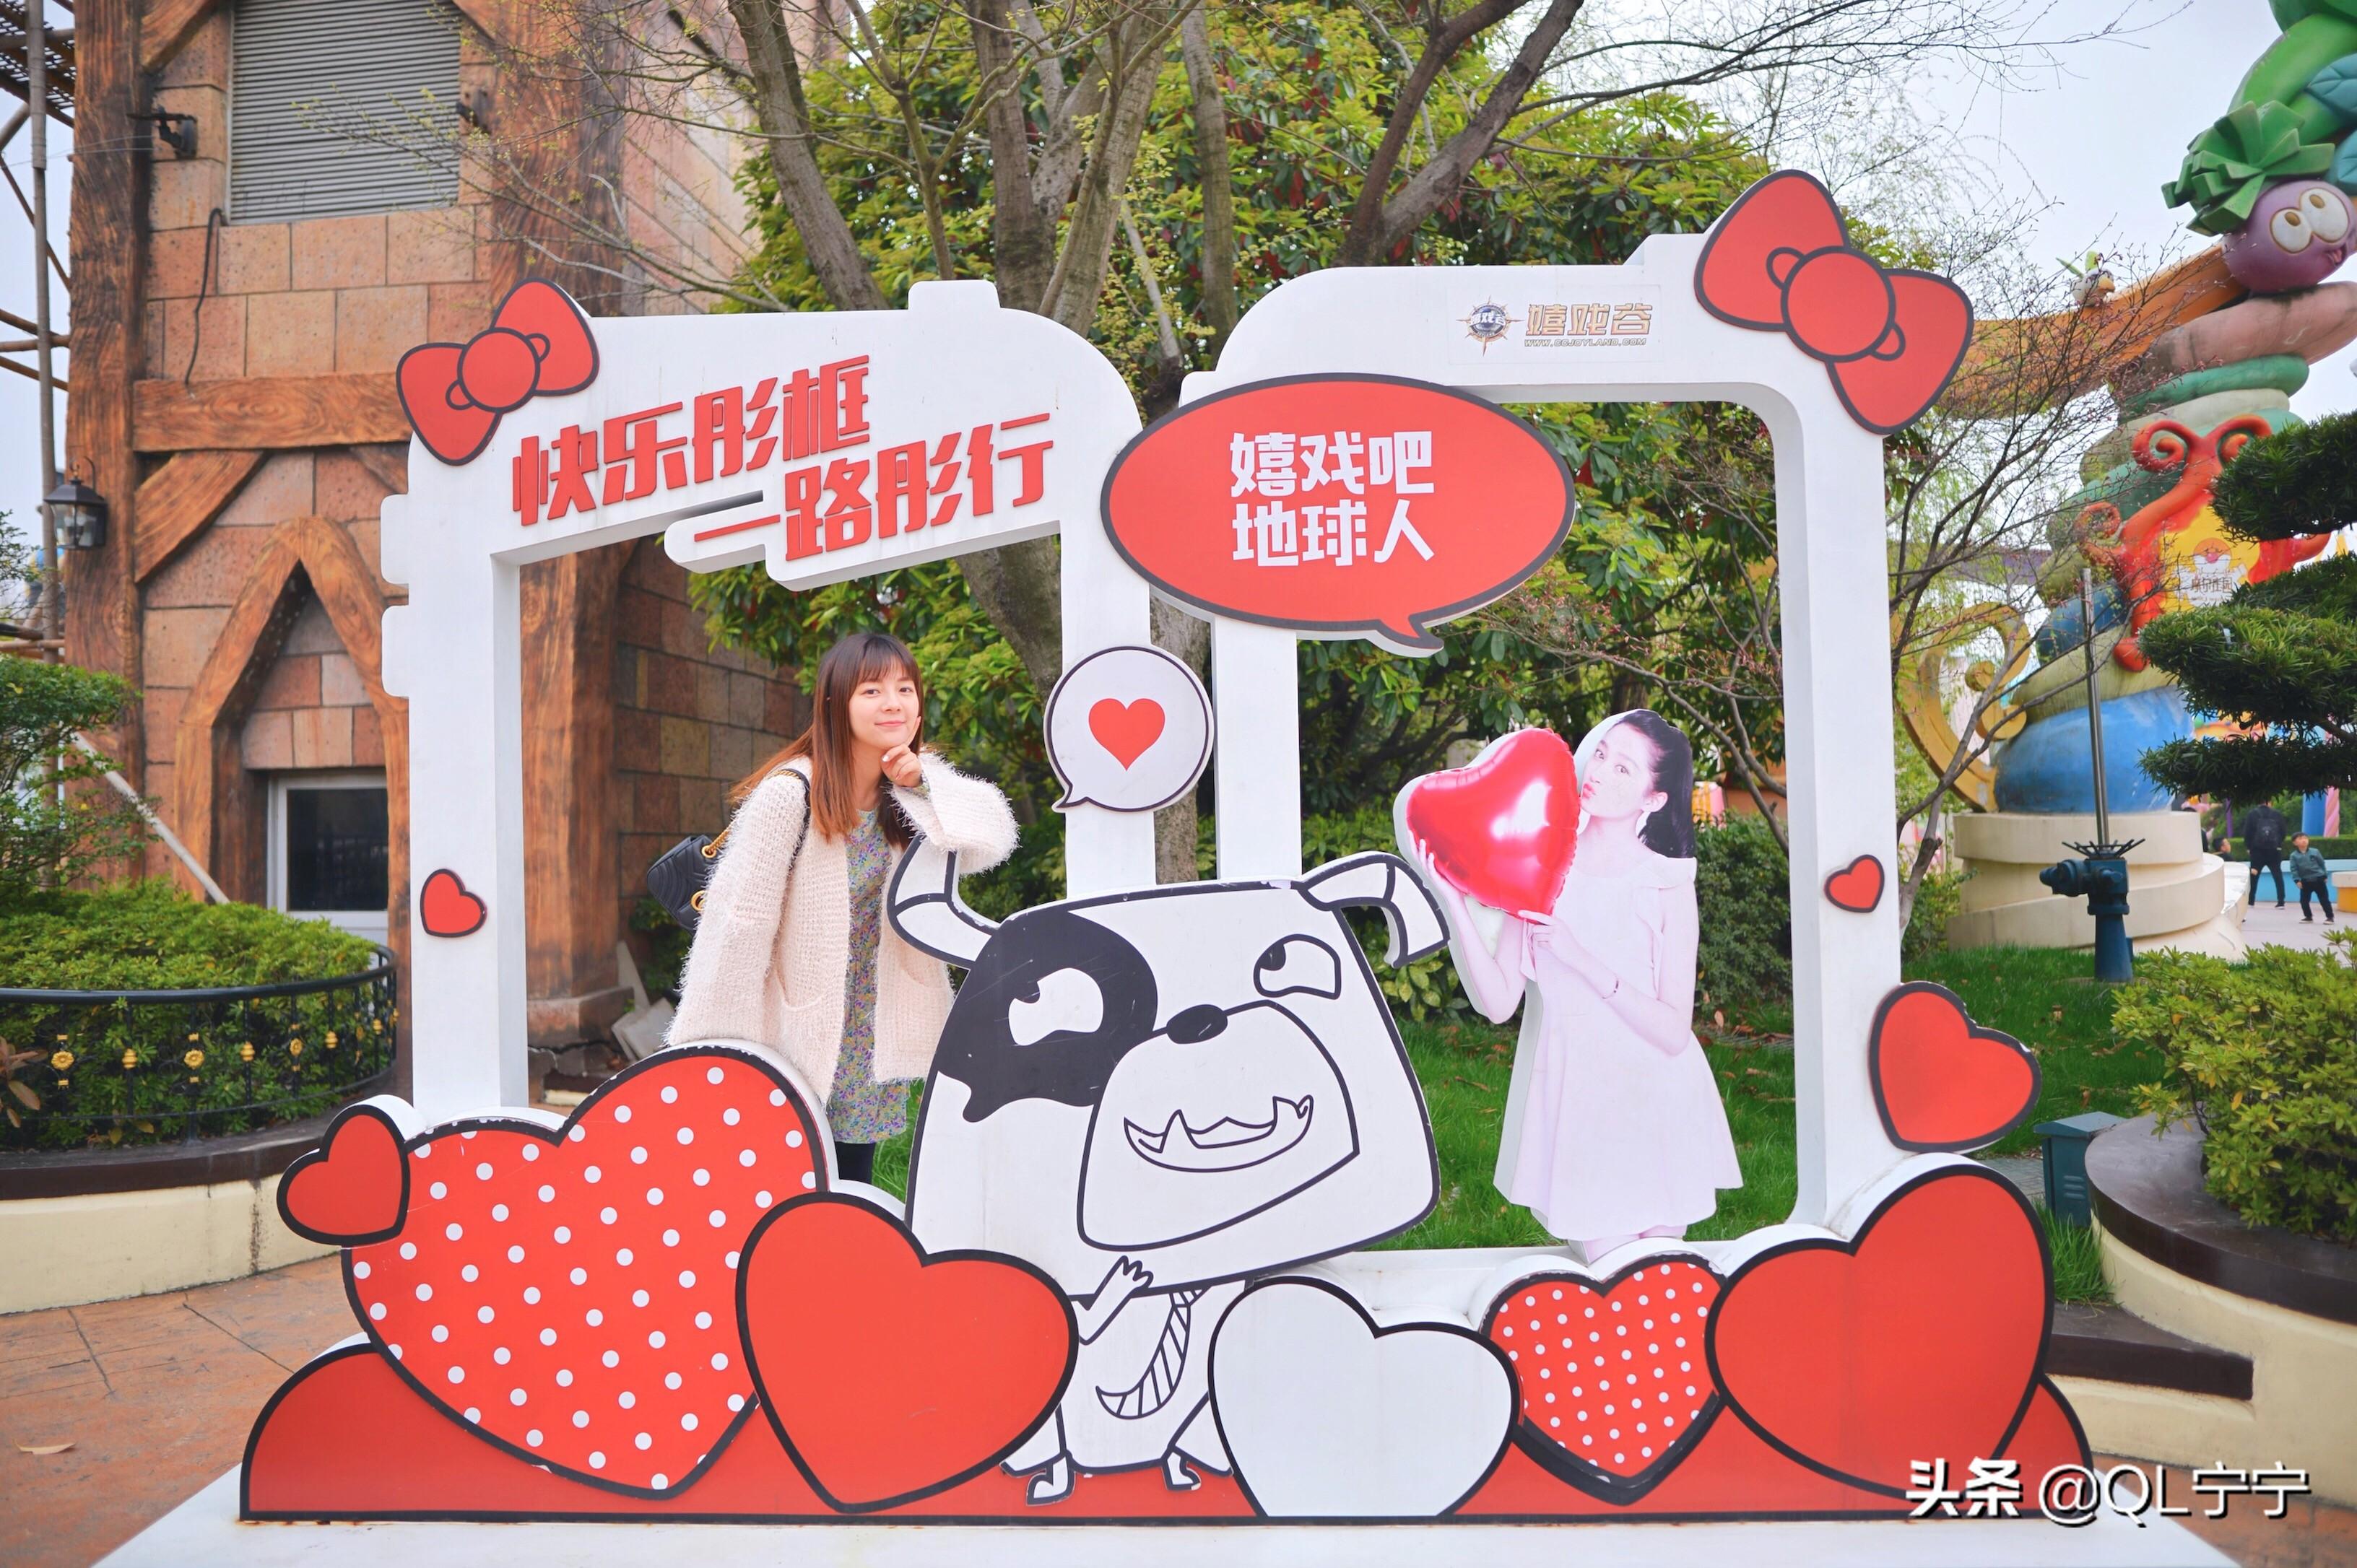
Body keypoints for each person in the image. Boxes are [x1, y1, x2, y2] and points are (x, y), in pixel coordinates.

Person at [668, 631, 1018, 1185]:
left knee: (851, 1181)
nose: (893, 703)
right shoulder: (791, 793)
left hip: (870, 1023)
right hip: (796, 1020)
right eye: (872, 691)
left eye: (905, 689)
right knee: (782, 1176)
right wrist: (716, 1052)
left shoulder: (911, 792)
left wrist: (925, 782)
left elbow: (993, 837)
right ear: (836, 703)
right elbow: (738, 927)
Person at [1417, 711, 1742, 1260]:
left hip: (1660, 1096)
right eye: (1602, 754)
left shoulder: (1667, 882)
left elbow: (1672, 1032)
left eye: (1623, 768)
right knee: (1613, 1269)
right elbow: (1498, 1003)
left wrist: (1581, 959)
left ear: (1654, 799)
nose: (1600, 771)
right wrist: (1453, 904)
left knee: (1664, 1273)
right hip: (1583, 1098)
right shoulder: (1540, 867)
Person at [2244, 800, 2290, 908]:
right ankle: (2281, 901)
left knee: (2254, 876)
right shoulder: (2277, 814)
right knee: (2277, 876)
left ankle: (2251, 901)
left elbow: (2247, 832)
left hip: (2257, 851)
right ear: (2270, 802)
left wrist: (2249, 847)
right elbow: (2283, 832)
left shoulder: (2252, 814)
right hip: (2274, 850)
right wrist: (2278, 844)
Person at [2288, 833, 2337, 923]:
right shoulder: (2294, 856)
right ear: (2295, 843)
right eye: (2300, 839)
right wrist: (2297, 880)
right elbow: (2294, 869)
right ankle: (2308, 917)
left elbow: (2322, 864)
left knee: (2324, 899)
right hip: (2305, 881)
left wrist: (2324, 875)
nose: (2304, 840)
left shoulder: (2315, 852)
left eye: (2305, 838)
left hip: (2318, 879)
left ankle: (2330, 917)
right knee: (2304, 901)